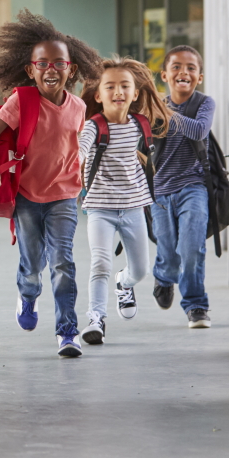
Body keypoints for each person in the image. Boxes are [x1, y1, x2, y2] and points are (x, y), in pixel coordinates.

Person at [0, 10, 103, 357]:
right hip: (28, 197)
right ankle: (27, 296)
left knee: (63, 262)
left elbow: (78, 147)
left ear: (71, 69)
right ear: (31, 69)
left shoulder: (78, 107)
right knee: (33, 265)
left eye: (59, 63)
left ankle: (67, 332)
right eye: (42, 63)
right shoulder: (22, 100)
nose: (51, 68)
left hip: (65, 197)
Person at [78, 56, 172, 345]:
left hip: (133, 207)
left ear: (134, 93)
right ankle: (96, 318)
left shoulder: (140, 124)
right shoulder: (94, 126)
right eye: (110, 86)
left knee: (141, 270)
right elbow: (81, 147)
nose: (118, 91)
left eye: (124, 86)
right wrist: (75, 160)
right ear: (98, 94)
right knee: (100, 263)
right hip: (100, 208)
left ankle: (124, 283)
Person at [152, 45, 214, 328]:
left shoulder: (204, 103)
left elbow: (199, 130)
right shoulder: (153, 108)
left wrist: (167, 113)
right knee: (167, 250)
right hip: (161, 189)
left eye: (191, 68)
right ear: (165, 74)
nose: (183, 72)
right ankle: (164, 276)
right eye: (176, 66)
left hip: (194, 186)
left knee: (191, 247)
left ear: (199, 77)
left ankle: (196, 305)